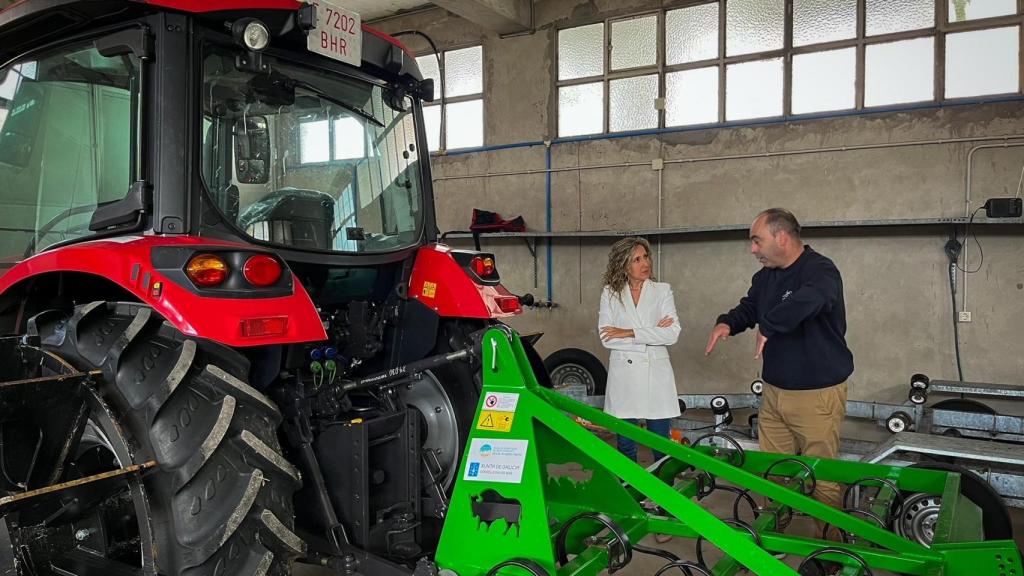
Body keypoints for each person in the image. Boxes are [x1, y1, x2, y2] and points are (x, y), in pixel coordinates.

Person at [705, 208, 853, 518]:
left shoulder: (820, 271)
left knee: (822, 477)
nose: (753, 249)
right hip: (773, 392)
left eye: (757, 241)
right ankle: (775, 541)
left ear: (781, 237)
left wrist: (770, 325)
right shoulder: (765, 277)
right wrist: (728, 323)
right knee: (774, 472)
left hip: (816, 394)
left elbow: (811, 299)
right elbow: (750, 307)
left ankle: (829, 555)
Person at [598, 237, 681, 463]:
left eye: (646, 257)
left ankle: (665, 494)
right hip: (625, 377)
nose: (645, 263)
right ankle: (630, 492)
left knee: (661, 444)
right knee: (625, 445)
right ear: (624, 265)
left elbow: (672, 334)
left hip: (656, 375)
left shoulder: (662, 291)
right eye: (637, 259)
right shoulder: (610, 293)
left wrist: (629, 332)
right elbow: (606, 337)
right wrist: (652, 332)